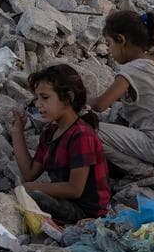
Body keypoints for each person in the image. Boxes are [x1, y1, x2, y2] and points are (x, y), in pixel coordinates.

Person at [10, 64, 111, 223]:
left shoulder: (81, 135)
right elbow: (29, 173)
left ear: (68, 97)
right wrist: (17, 131)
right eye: (36, 98)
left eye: (45, 97)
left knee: (30, 195)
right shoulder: (50, 131)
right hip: (66, 202)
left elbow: (75, 189)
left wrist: (32, 187)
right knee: (25, 193)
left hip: (86, 213)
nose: (38, 104)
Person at [92, 10, 154, 176]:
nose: (109, 51)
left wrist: (76, 99)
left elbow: (101, 105)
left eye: (109, 44)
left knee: (91, 131)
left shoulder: (130, 70)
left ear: (121, 40)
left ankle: (142, 170)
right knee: (119, 112)